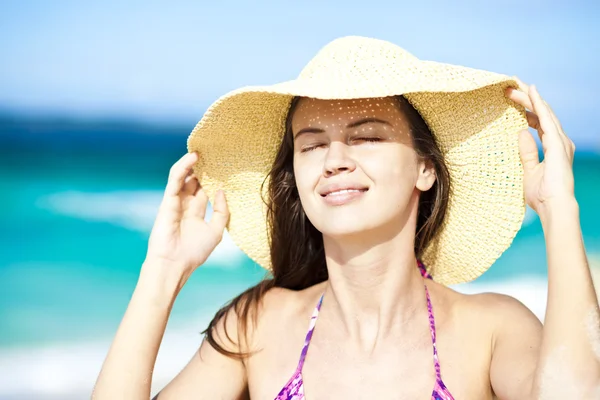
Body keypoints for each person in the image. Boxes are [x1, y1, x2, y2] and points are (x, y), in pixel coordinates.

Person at [92, 36, 600, 399]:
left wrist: (559, 211)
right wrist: (162, 272)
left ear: (425, 168)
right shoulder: (258, 327)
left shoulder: (491, 329)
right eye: (311, 144)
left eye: (367, 136)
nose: (334, 159)